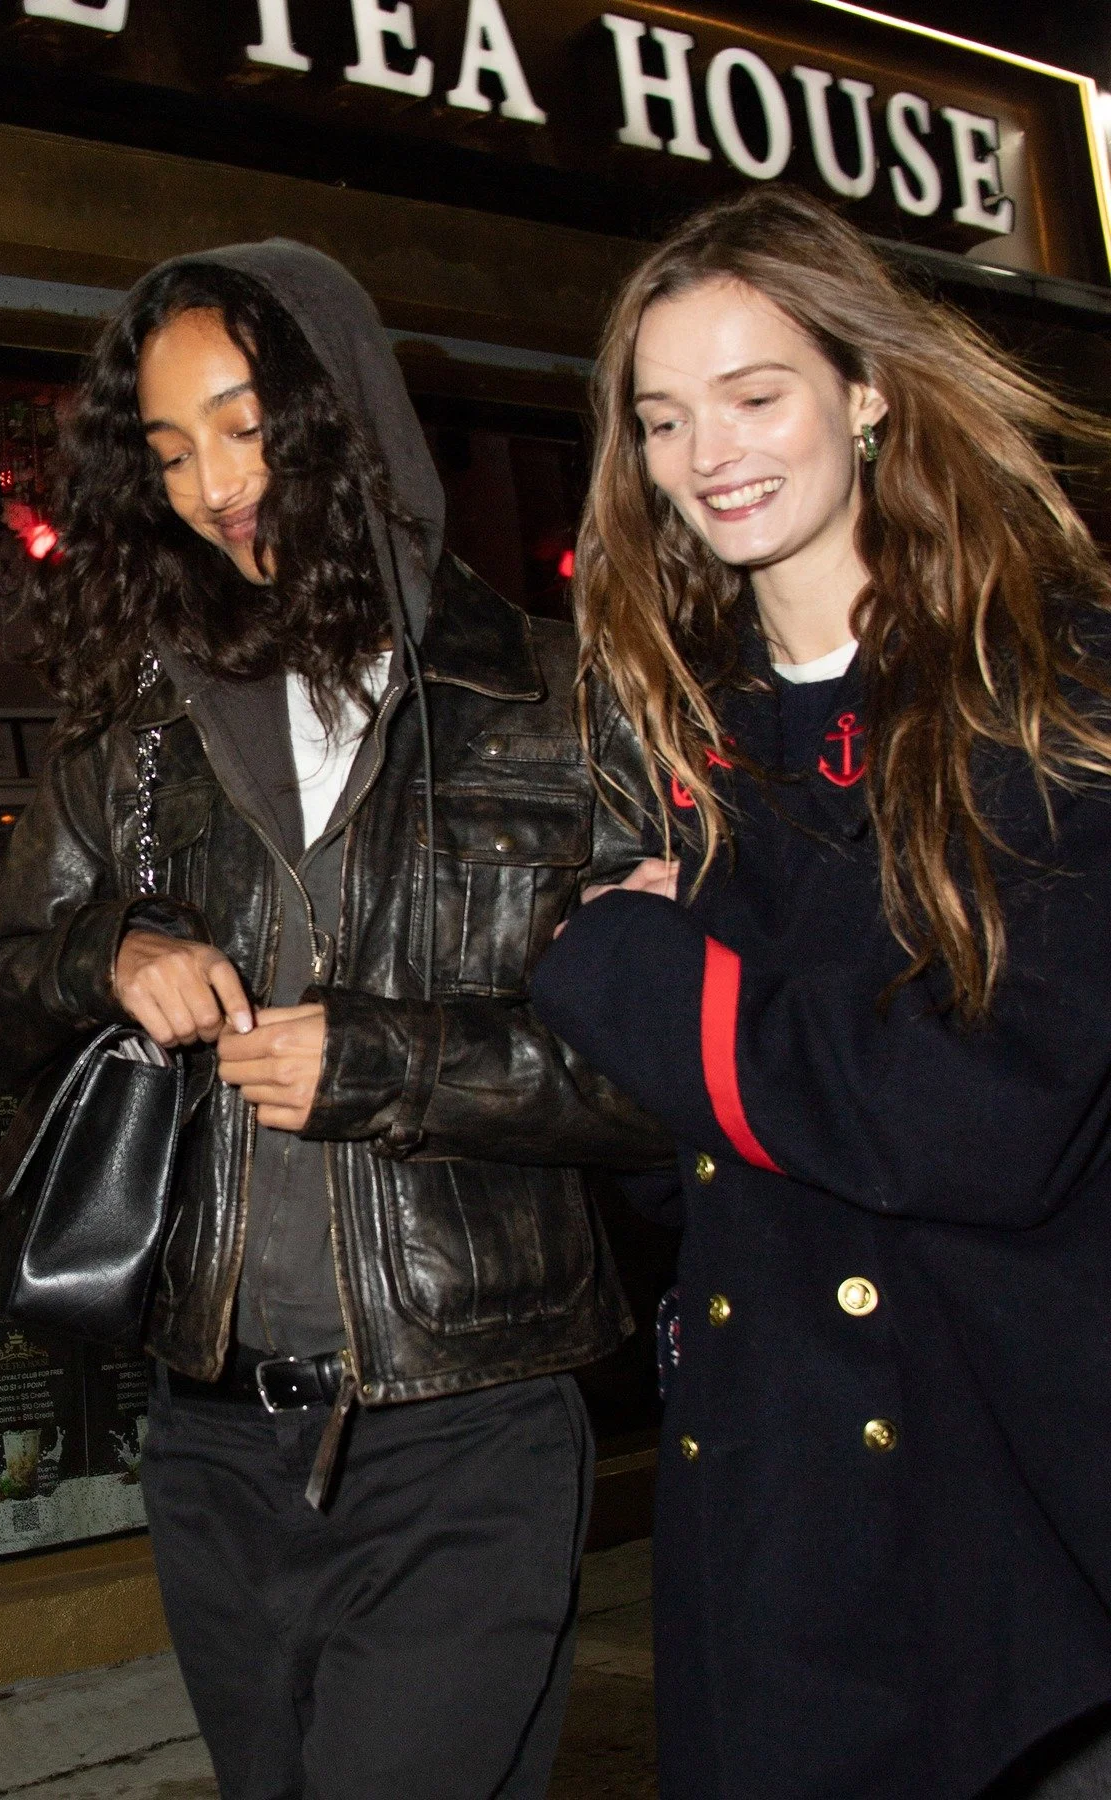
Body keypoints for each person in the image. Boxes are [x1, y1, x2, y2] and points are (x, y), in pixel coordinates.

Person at [0, 240, 670, 1799]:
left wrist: (392, 1063)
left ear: (344, 410)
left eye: (247, 421)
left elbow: (677, 1079)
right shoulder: (138, 731)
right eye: (170, 447)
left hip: (466, 1424)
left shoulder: (564, 704)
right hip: (213, 1444)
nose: (213, 481)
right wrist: (102, 954)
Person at [530, 185, 1111, 1800]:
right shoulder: (689, 731)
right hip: (770, 1499)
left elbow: (983, 1120)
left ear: (864, 392)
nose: (706, 452)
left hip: (1002, 1513)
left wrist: (649, 978)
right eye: (662, 417)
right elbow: (689, 1165)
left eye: (755, 393)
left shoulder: (1037, 687)